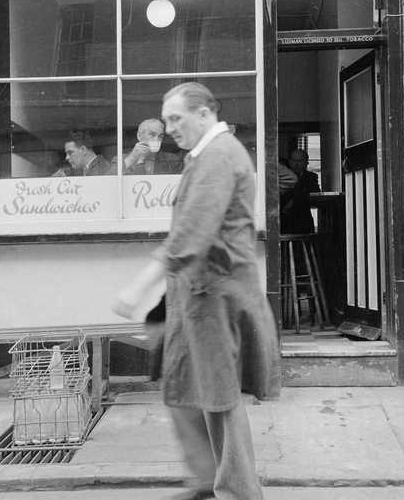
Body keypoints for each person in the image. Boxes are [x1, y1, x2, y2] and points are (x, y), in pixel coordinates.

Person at [112, 82, 280, 500]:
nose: (169, 128)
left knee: (218, 397)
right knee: (188, 388)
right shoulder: (207, 155)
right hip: (198, 295)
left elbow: (193, 234)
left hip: (215, 297)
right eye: (166, 120)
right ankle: (208, 480)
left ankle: (238, 493)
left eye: (175, 118)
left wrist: (139, 285)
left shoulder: (219, 156)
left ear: (204, 113)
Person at [115, 118, 183, 175]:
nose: (157, 140)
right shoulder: (121, 159)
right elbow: (107, 182)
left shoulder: (172, 160)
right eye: (152, 135)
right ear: (139, 136)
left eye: (160, 136)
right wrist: (132, 158)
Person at [280, 148, 320, 234]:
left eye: (300, 161)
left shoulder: (311, 177)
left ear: (306, 163)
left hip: (303, 220)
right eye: (294, 160)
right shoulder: (281, 177)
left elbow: (314, 196)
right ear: (289, 161)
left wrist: (294, 201)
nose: (296, 164)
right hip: (285, 221)